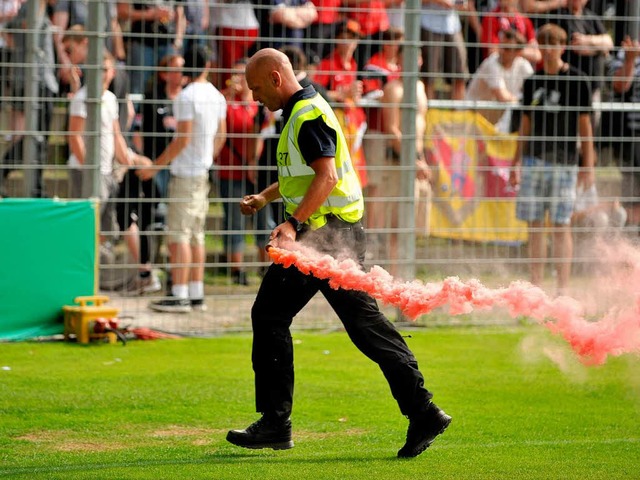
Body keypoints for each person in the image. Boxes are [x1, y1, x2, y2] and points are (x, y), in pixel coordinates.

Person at [226, 47, 451, 458]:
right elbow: (308, 174)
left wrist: (292, 225)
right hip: (329, 233)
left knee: (288, 317)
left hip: (328, 235)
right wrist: (265, 197)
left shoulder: (308, 114)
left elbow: (327, 177)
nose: (256, 98)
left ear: (276, 79)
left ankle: (279, 423)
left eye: (258, 89)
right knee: (360, 326)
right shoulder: (301, 112)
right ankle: (422, 410)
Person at [137, 45, 227, 313]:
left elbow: (182, 139)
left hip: (186, 173)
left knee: (178, 236)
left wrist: (155, 167)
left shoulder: (187, 96)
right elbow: (220, 136)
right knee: (196, 235)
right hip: (202, 172)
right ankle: (195, 293)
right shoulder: (216, 95)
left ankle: (179, 295)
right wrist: (207, 158)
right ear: (208, 65)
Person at [509, 23, 595, 296]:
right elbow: (525, 124)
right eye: (543, 44)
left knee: (561, 225)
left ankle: (563, 288)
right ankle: (536, 286)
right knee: (534, 226)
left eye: (553, 44)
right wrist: (516, 161)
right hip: (534, 160)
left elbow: (585, 128)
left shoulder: (578, 80)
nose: (547, 50)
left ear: (562, 47)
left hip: (564, 162)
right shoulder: (532, 81)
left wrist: (588, 167)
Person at [67, 51, 149, 242]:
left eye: (106, 69)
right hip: (86, 171)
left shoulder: (111, 98)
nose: (102, 74)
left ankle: (94, 266)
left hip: (107, 171)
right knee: (87, 226)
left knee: (106, 229)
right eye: (98, 69)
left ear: (113, 72)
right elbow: (74, 136)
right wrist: (90, 169)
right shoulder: (83, 98)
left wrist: (129, 161)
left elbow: (116, 135)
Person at [216, 59, 259, 285]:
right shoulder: (223, 101)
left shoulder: (257, 103)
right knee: (234, 219)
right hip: (229, 169)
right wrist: (229, 97)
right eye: (234, 74)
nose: (237, 79)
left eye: (242, 74)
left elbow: (261, 132)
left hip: (254, 171)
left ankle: (265, 266)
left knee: (263, 218)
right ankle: (237, 268)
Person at [465, 28, 534, 133]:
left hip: (492, 125)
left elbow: (534, 91)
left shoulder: (523, 65)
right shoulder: (491, 63)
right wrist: (522, 100)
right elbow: (503, 97)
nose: (501, 51)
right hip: (471, 120)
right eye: (501, 46)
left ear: (518, 52)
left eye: (507, 48)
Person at [609, 35, 640, 233]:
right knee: (633, 197)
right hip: (633, 135)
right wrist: (630, 59)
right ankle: (631, 253)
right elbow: (620, 85)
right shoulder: (629, 49)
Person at [420, 0, 471, 100]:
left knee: (460, 74)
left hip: (453, 26)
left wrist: (461, 4)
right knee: (429, 76)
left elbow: (466, 5)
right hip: (429, 25)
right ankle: (428, 112)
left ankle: (458, 113)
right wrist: (440, 2)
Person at [480, 0, 540, 65]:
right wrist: (519, 51)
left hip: (518, 67)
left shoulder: (525, 20)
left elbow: (536, 55)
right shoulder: (490, 18)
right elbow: (493, 52)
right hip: (497, 65)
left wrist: (508, 50)